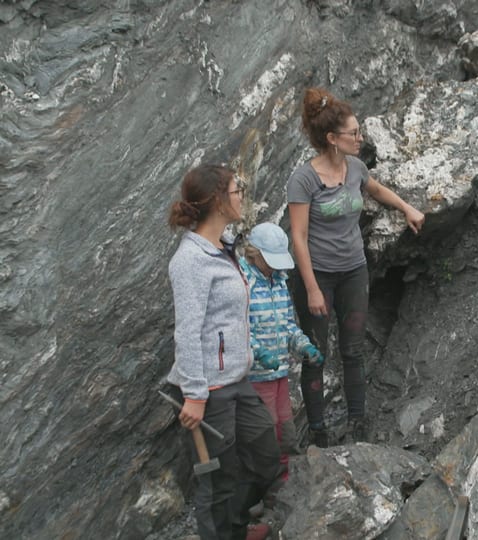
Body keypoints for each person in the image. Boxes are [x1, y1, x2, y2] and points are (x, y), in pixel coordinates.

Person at [288, 87, 425, 446]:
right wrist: (313, 288)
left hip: (353, 270)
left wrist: (407, 208)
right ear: (332, 138)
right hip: (315, 276)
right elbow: (298, 237)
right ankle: (318, 432)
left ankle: (357, 421)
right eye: (354, 133)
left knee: (353, 349)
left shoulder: (356, 168)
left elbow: (377, 190)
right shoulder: (303, 179)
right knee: (315, 354)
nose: (360, 138)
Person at [166, 164, 281, 540]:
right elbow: (187, 332)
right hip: (211, 391)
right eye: (237, 189)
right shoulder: (190, 261)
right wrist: (195, 395)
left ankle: (236, 528)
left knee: (265, 459)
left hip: (237, 379)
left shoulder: (224, 247)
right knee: (217, 483)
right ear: (217, 200)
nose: (242, 194)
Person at [239, 223, 323, 487]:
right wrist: (257, 352)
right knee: (265, 430)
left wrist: (304, 346)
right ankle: (264, 487)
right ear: (255, 255)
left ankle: (286, 480)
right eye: (269, 262)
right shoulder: (242, 282)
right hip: (255, 376)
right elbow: (236, 327)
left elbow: (287, 324)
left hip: (280, 373)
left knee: (284, 427)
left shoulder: (279, 282)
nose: (274, 268)